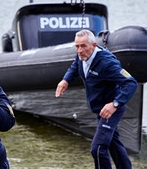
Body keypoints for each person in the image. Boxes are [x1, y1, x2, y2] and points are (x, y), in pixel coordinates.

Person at [55, 29, 137, 169]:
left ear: (93, 46)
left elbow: (131, 83)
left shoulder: (107, 63)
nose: (79, 50)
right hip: (99, 109)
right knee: (113, 144)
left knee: (98, 148)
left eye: (83, 46)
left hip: (111, 109)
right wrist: (65, 80)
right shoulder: (81, 55)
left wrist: (115, 104)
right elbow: (75, 66)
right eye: (77, 46)